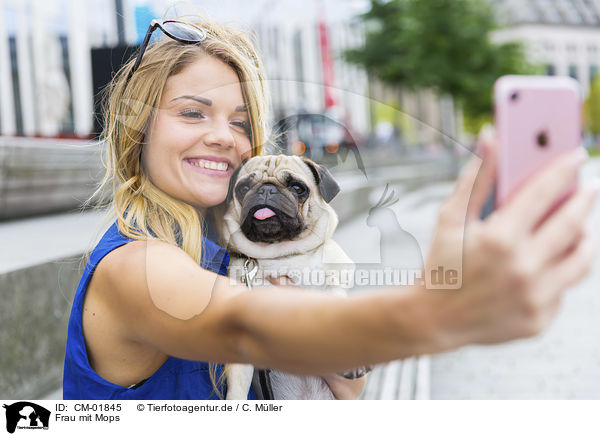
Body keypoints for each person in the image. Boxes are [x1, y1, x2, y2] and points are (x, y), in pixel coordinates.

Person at [63, 16, 598, 400]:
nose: (223, 137)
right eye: (192, 113)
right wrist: (441, 309)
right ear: (139, 127)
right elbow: (244, 330)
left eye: (241, 122)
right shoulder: (137, 265)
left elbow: (350, 383)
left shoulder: (227, 251)